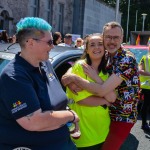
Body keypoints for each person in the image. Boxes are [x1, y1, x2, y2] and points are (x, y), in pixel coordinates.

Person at [0, 17, 79, 150]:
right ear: (31, 43)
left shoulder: (45, 64)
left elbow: (54, 103)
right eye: (49, 42)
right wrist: (71, 116)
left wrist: (65, 116)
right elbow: (34, 121)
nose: (53, 46)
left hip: (61, 142)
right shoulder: (14, 75)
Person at [62, 21, 140, 150]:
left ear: (122, 39)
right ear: (103, 38)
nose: (112, 41)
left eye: (116, 38)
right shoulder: (107, 55)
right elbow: (81, 62)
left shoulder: (126, 59)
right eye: (108, 37)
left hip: (123, 117)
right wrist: (69, 75)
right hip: (108, 115)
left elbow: (103, 90)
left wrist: (75, 78)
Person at [66, 33, 116, 150]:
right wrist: (104, 100)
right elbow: (82, 100)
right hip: (84, 132)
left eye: (100, 44)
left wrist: (95, 77)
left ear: (105, 48)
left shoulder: (108, 70)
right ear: (87, 49)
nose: (97, 48)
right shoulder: (80, 66)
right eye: (92, 45)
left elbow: (112, 98)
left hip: (103, 130)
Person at [138, 44, 150, 133]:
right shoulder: (145, 58)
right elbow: (140, 70)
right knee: (146, 105)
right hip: (147, 86)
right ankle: (144, 123)